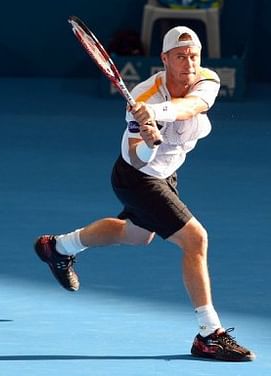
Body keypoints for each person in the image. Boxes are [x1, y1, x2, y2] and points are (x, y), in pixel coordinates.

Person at [34, 26, 255, 362]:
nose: (188, 63)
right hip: (137, 177)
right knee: (196, 239)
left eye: (193, 55)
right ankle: (209, 335)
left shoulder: (205, 79)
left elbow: (194, 105)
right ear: (164, 59)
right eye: (180, 56)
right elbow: (137, 155)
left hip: (166, 175)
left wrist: (158, 115)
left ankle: (57, 247)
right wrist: (149, 139)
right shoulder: (142, 96)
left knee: (136, 236)